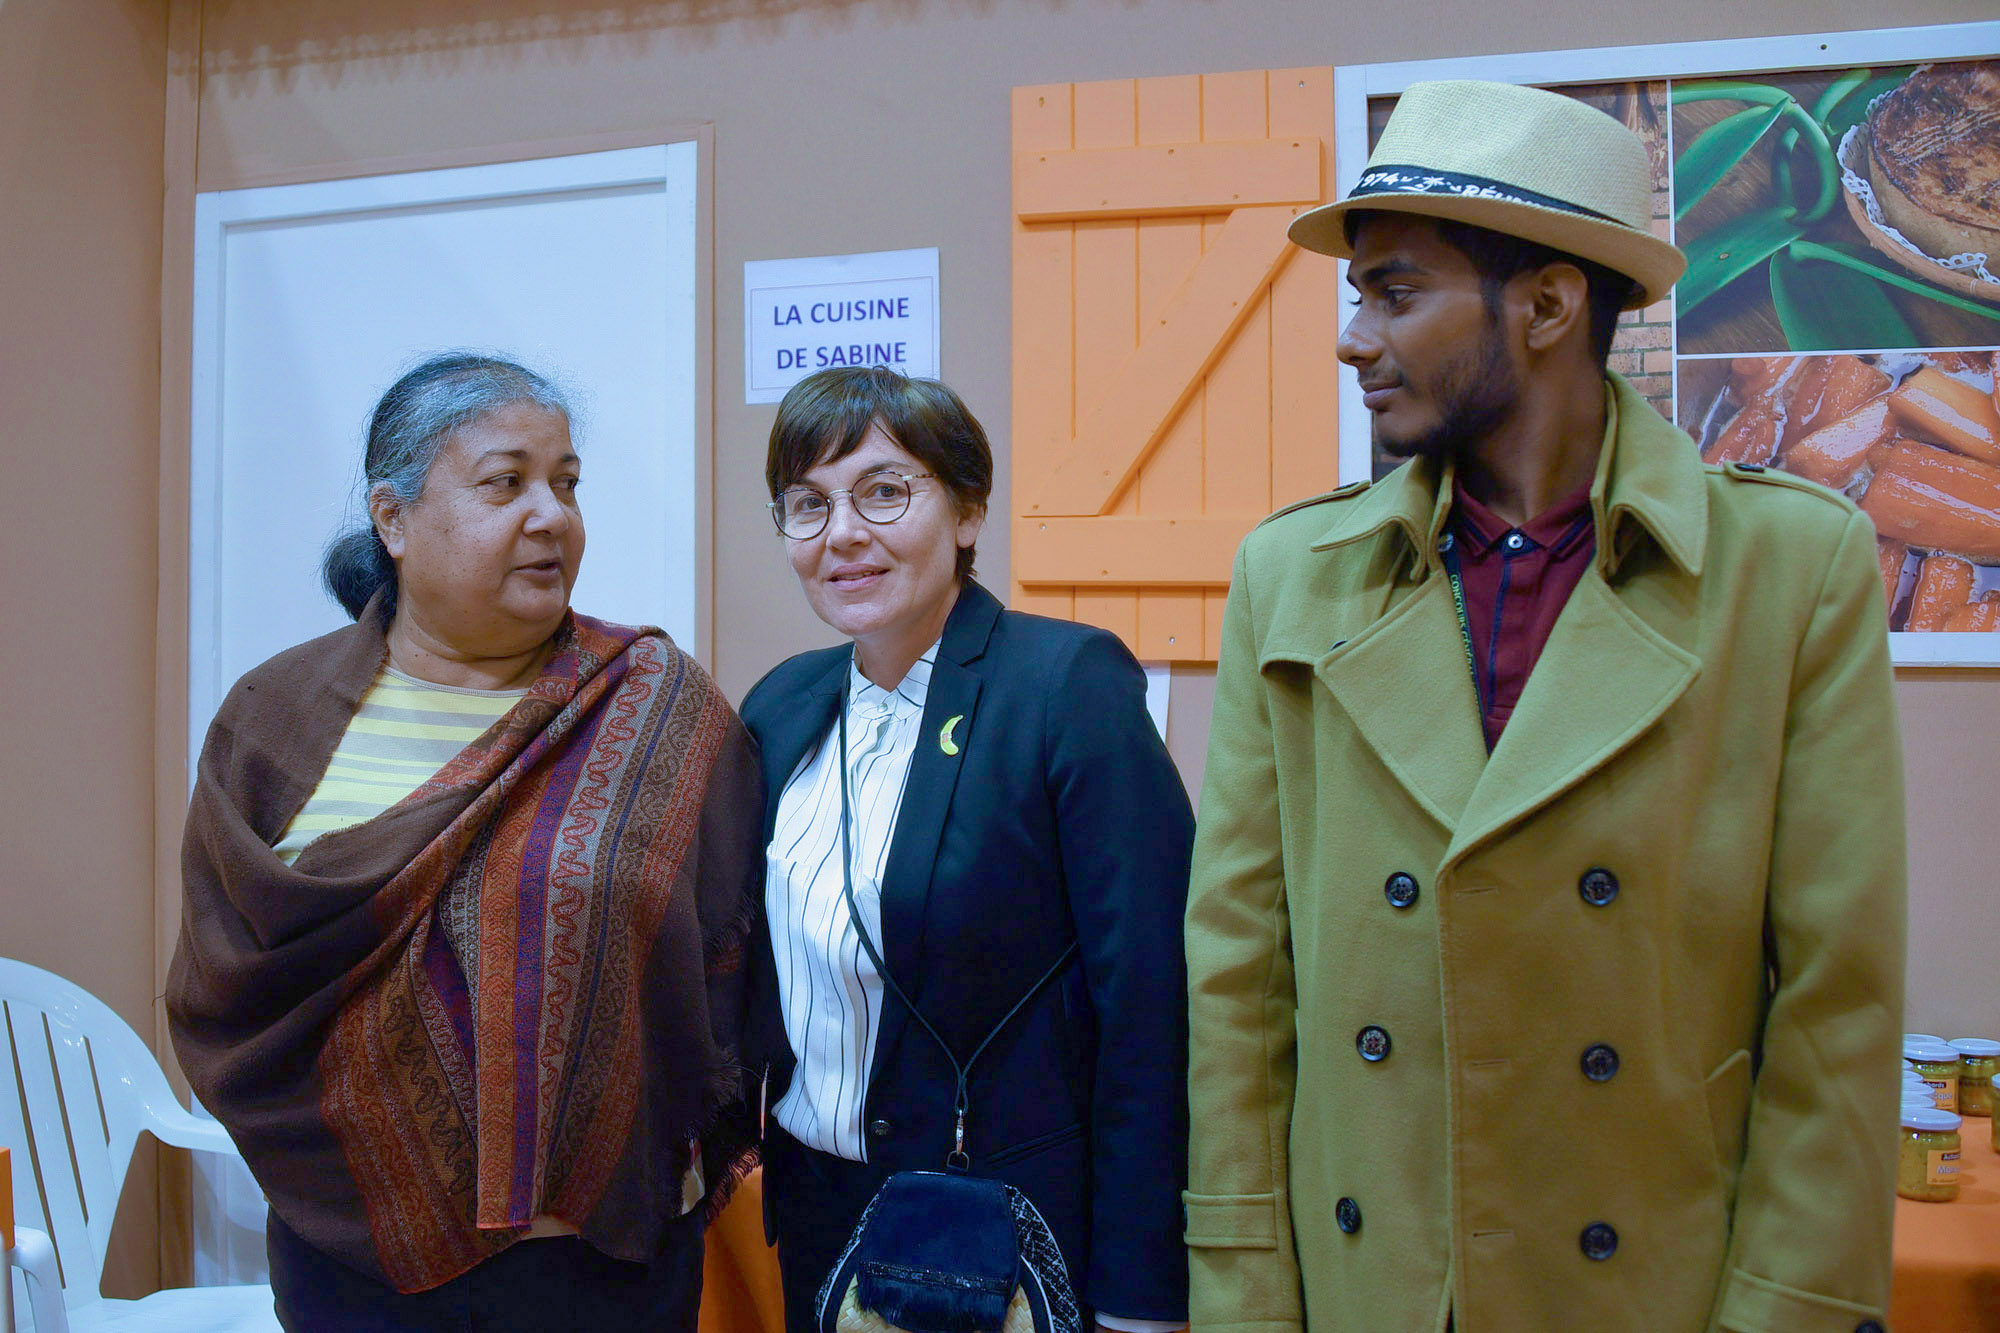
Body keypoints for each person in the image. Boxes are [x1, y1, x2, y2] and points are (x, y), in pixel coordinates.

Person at [1184, 81, 1904, 1333]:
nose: (1354, 338)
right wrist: (1246, 1295)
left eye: (1395, 292)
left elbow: (1833, 1003)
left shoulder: (1787, 571)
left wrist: (1784, 1310)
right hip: (1377, 1284)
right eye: (1359, 295)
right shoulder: (1289, 577)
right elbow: (1240, 982)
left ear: (1548, 303)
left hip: (1647, 1286)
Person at [168, 353, 762, 1330]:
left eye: (566, 483)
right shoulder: (274, 720)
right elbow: (228, 989)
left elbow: (730, 966)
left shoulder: (659, 706)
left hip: (604, 1271)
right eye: (505, 482)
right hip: (352, 1271)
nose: (550, 515)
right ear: (393, 519)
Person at [741, 366, 1192, 1333]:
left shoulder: (1063, 684)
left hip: (999, 1233)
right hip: (818, 1215)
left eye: (884, 491)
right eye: (807, 505)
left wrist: (1143, 1297)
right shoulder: (781, 704)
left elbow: (1151, 1007)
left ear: (969, 512)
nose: (844, 534)